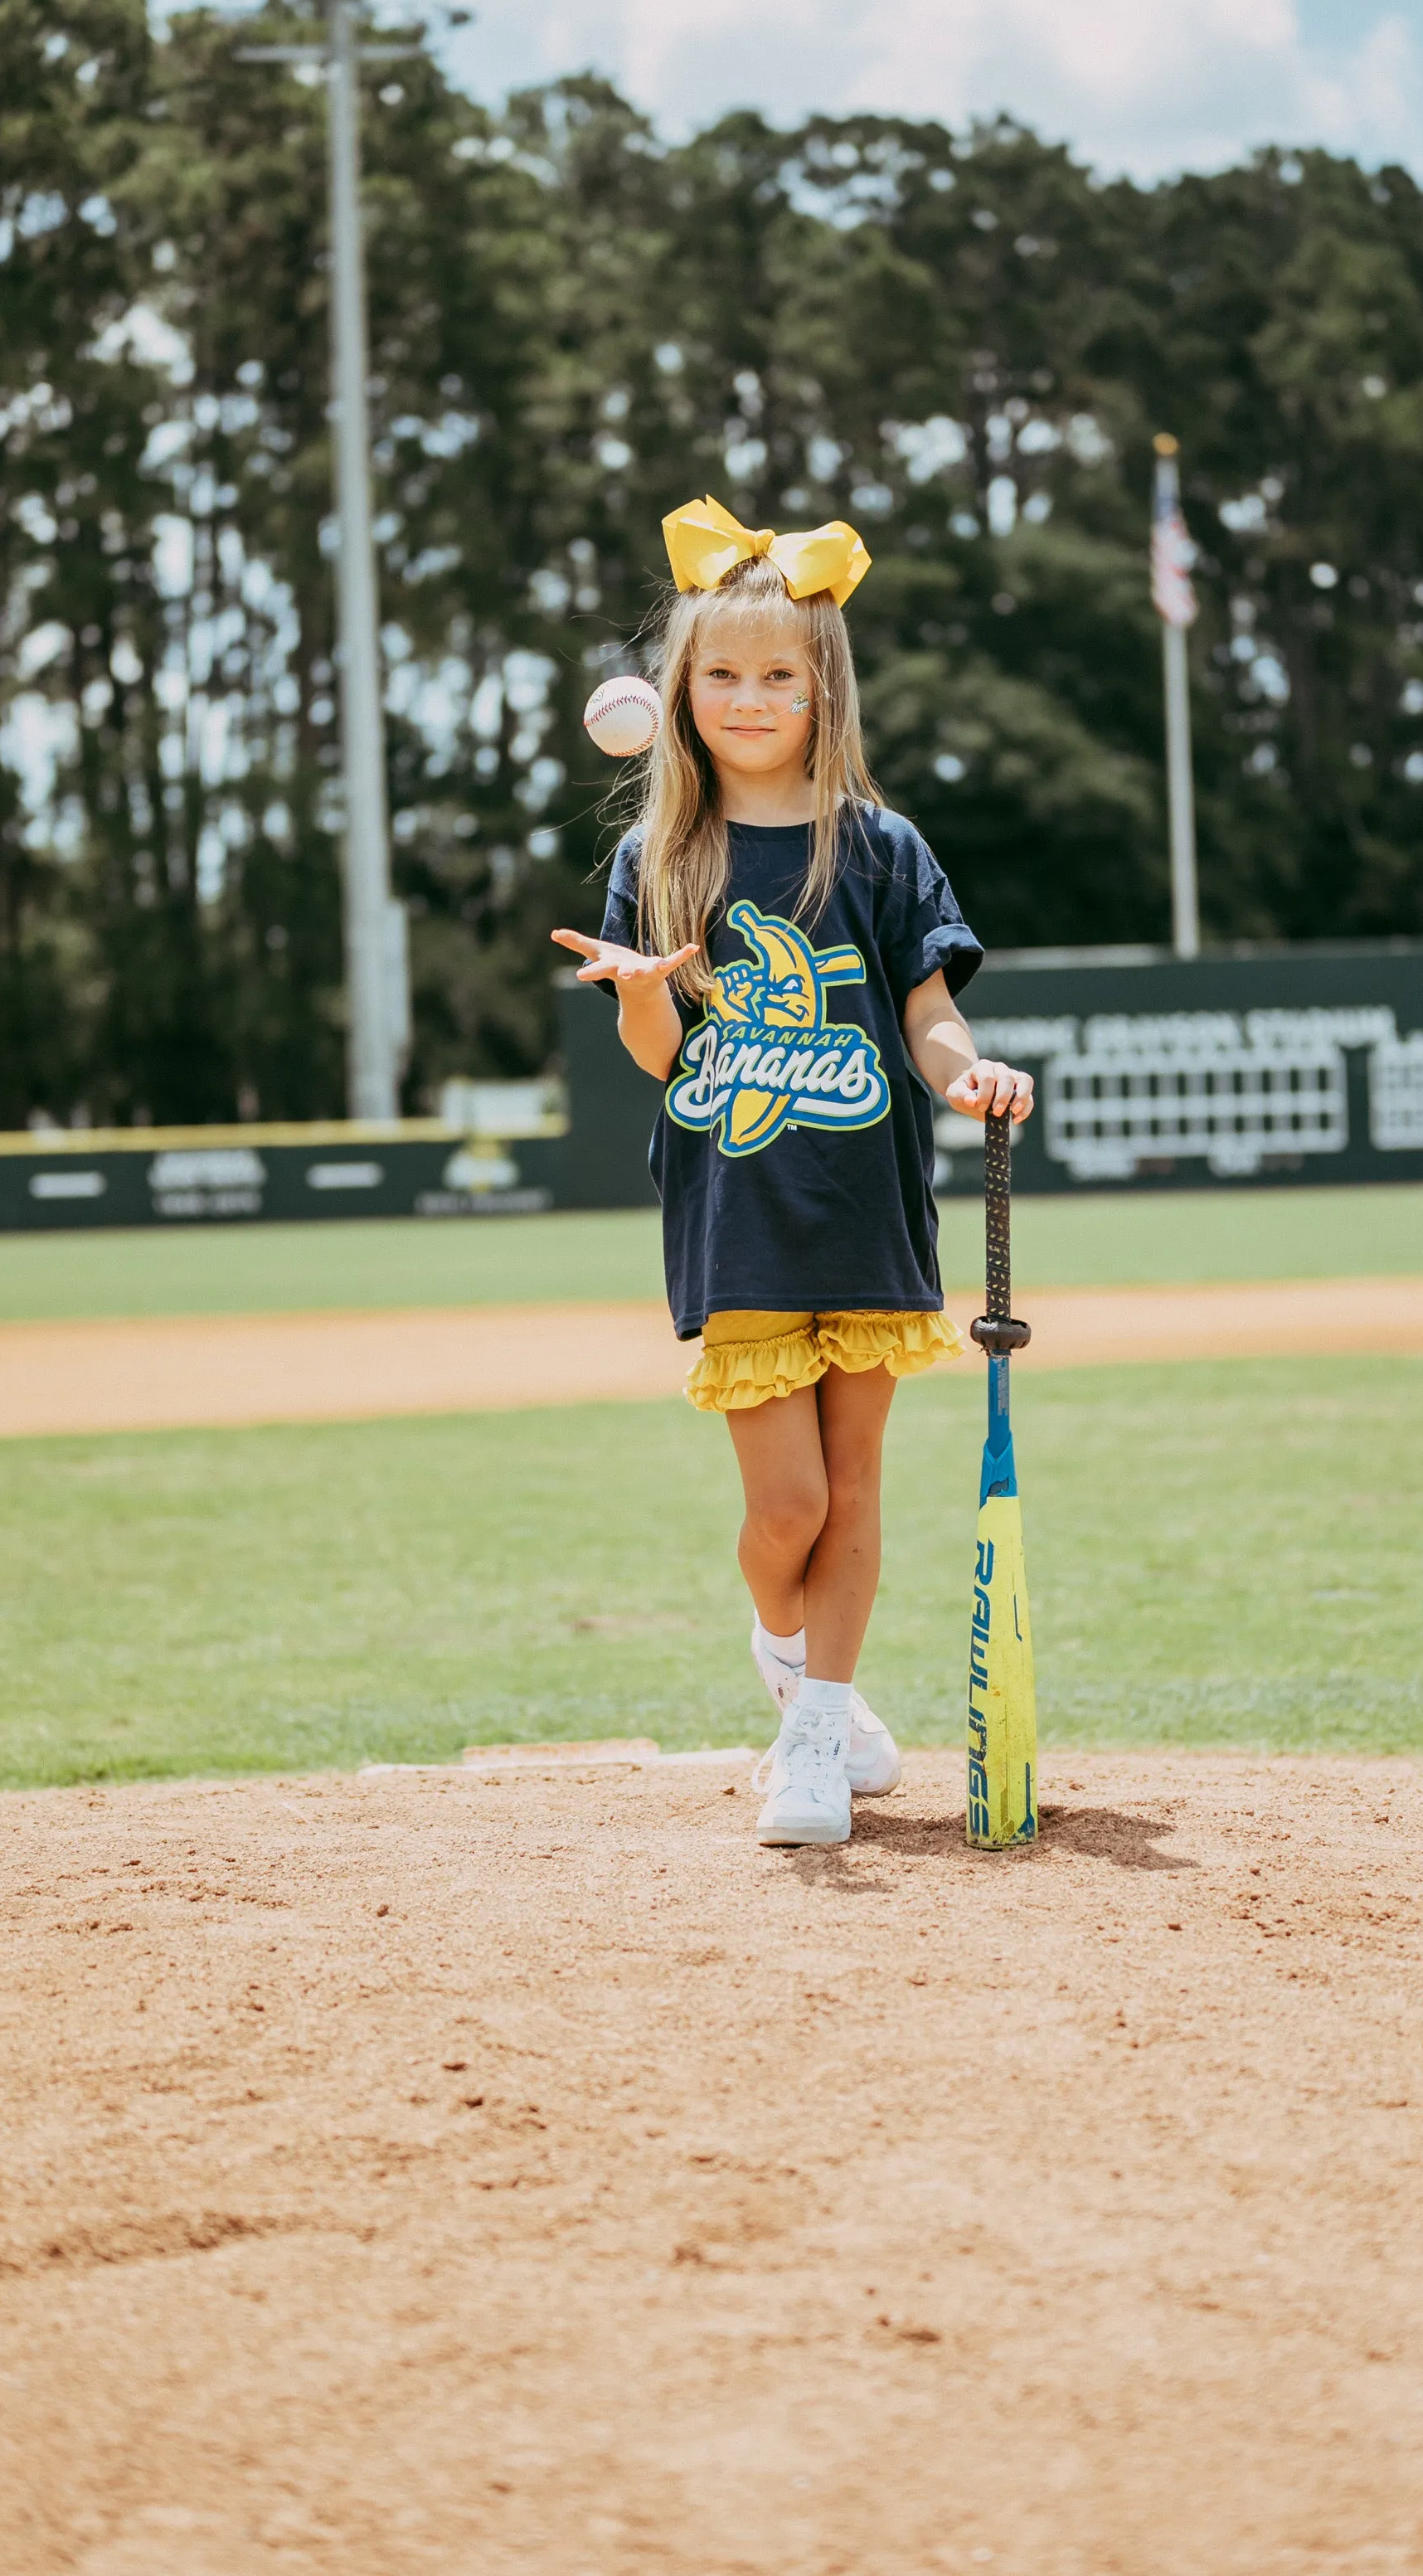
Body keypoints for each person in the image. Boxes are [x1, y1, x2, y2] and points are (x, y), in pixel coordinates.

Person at [553, 495, 1033, 1849]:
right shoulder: (662, 860)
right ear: (682, 692)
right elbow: (656, 1055)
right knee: (788, 1508)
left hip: (865, 1214)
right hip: (737, 1218)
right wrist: (648, 988)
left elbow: (928, 1014)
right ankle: (786, 1651)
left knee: (860, 1489)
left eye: (779, 674)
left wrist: (969, 1073)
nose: (751, 697)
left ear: (823, 687)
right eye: (722, 674)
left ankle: (817, 1741)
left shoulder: (879, 848)